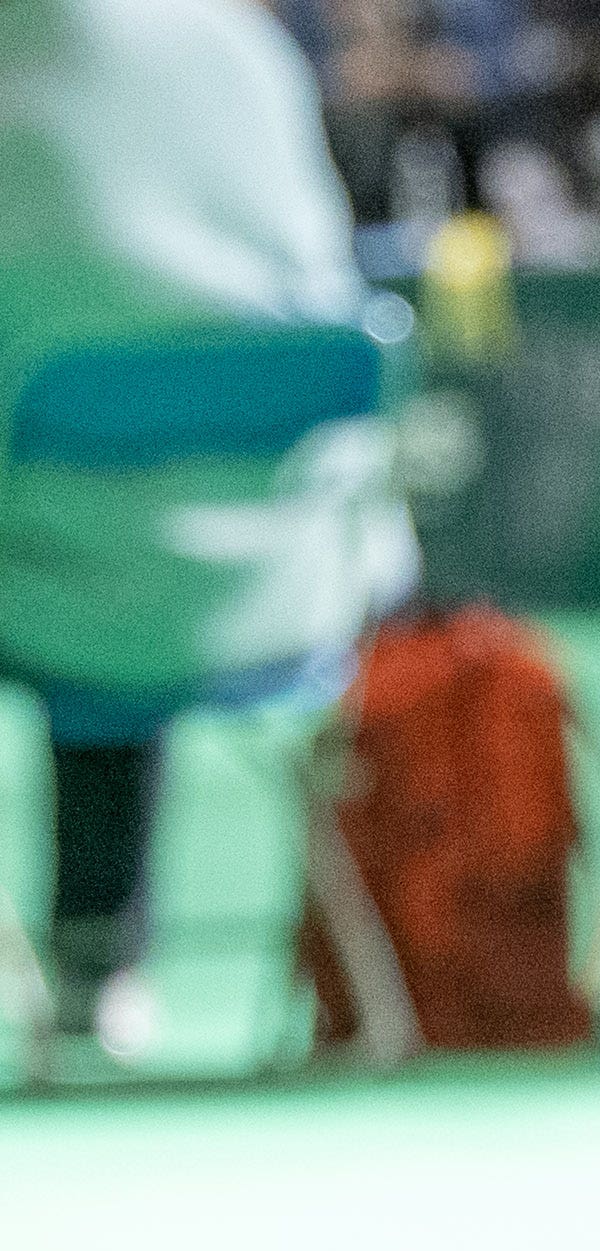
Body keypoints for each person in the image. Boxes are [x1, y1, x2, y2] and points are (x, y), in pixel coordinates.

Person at [0, 0, 413, 1053]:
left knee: (78, 535)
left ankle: (94, 951)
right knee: (118, 527)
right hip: (288, 583)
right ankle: (102, 957)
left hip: (58, 575)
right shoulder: (246, 48)